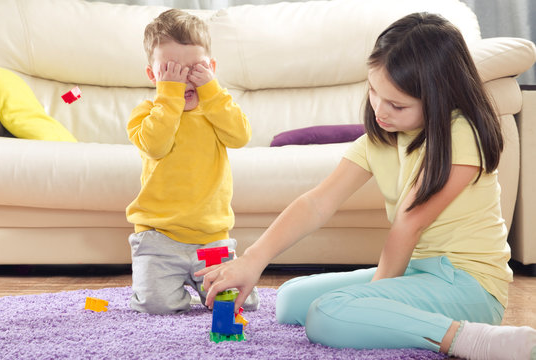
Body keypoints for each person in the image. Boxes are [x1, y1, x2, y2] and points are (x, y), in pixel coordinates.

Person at [197, 12, 536, 359]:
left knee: (326, 316)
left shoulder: (460, 132)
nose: (379, 110)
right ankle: (383, 313)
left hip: (469, 286)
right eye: (374, 91)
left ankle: (476, 341)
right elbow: (317, 203)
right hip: (419, 272)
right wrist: (253, 260)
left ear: (439, 99)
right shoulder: (381, 140)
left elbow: (410, 222)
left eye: (397, 105)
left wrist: (374, 301)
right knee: (289, 300)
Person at [126, 9, 259, 314]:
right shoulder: (145, 113)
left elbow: (240, 136)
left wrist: (211, 90)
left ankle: (203, 288)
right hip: (158, 239)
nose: (182, 78)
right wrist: (169, 96)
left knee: (238, 303)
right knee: (155, 305)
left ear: (211, 67)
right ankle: (166, 288)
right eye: (169, 70)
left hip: (211, 239)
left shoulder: (216, 108)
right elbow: (156, 145)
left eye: (194, 68)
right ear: (152, 75)